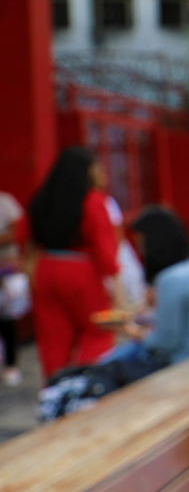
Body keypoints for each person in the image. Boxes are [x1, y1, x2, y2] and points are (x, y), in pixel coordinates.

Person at [26, 147, 121, 379]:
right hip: (83, 272)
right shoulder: (93, 201)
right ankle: (85, 387)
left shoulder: (41, 200)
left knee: (53, 340)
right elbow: (105, 249)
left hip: (46, 270)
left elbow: (27, 242)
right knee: (99, 332)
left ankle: (55, 392)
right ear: (88, 171)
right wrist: (118, 289)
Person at [103, 206, 189, 374]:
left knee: (107, 364)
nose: (141, 251)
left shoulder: (172, 278)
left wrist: (130, 331)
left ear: (155, 243)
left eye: (142, 244)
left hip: (184, 367)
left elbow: (165, 342)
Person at [0, 190, 28, 385]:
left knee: (6, 319)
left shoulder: (5, 202)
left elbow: (19, 230)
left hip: (5, 267)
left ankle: (11, 365)